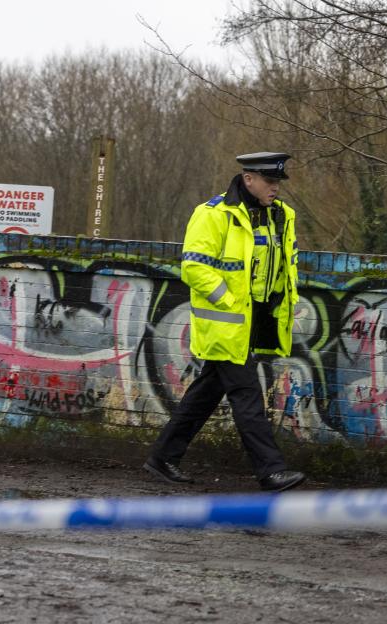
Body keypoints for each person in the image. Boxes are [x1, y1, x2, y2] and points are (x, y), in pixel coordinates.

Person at [144, 152, 306, 492]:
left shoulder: (283, 216)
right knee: (247, 395)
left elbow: (282, 268)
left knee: (204, 394)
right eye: (269, 181)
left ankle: (162, 457)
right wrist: (229, 300)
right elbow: (194, 268)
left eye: (278, 182)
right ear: (248, 179)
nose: (275, 188)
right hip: (225, 324)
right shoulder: (213, 215)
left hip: (258, 322)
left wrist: (285, 305)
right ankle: (271, 471)